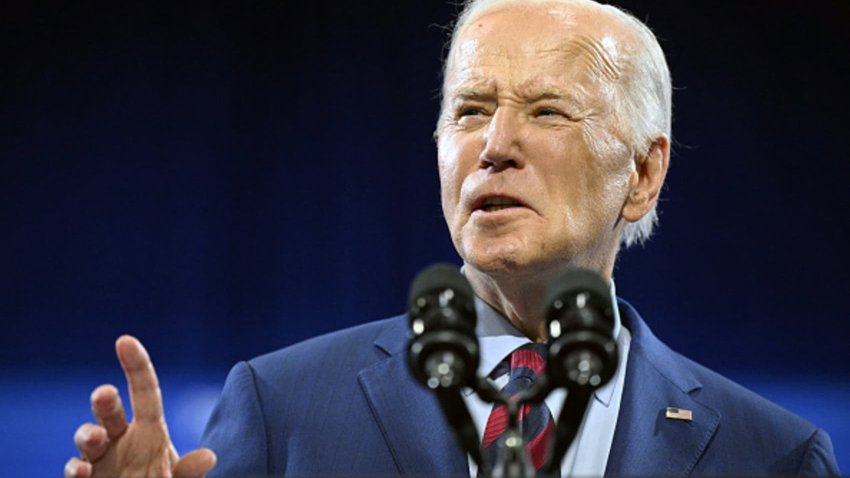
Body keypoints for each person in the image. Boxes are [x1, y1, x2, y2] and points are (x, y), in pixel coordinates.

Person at [64, 0, 841, 477]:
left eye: (546, 111)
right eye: (470, 110)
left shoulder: (769, 456)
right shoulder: (284, 412)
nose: (494, 144)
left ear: (642, 174)